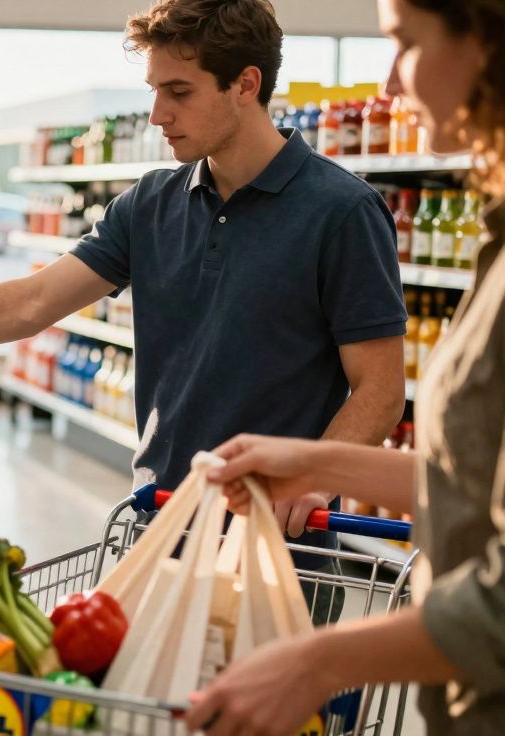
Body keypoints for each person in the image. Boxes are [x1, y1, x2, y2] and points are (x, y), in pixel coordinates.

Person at [0, 0, 408, 553]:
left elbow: (380, 390)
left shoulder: (342, 212)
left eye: (180, 92)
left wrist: (312, 480)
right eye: (154, 91)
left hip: (274, 541)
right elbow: (33, 301)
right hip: (157, 520)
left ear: (245, 83)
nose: (157, 115)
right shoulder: (150, 204)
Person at [185, 0, 505, 732]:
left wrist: (318, 660)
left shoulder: (342, 208)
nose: (392, 85)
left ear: (486, 44)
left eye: (407, 45)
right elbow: (475, 489)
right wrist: (316, 460)